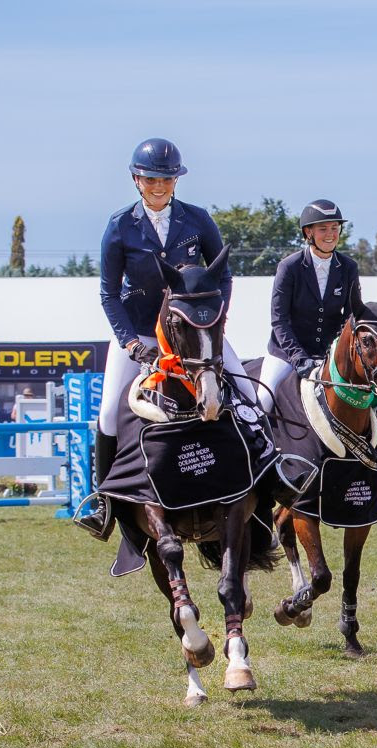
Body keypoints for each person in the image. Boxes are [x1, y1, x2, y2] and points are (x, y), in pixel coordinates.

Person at [79, 137, 256, 541]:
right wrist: (130, 343)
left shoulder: (197, 219)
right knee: (108, 414)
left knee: (248, 395)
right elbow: (109, 293)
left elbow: (223, 275)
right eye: (151, 179)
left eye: (166, 179)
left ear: (176, 181)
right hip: (142, 333)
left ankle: (267, 474)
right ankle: (104, 502)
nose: (159, 186)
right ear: (137, 180)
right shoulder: (120, 226)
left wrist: (213, 321)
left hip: (195, 333)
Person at [256, 200, 362, 412]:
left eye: (335, 228)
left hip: (328, 354)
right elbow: (279, 320)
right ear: (308, 232)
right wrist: (299, 358)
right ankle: (257, 433)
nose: (330, 234)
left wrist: (335, 350)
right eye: (323, 229)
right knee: (264, 400)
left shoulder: (348, 267)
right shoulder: (289, 267)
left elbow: (351, 316)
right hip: (286, 354)